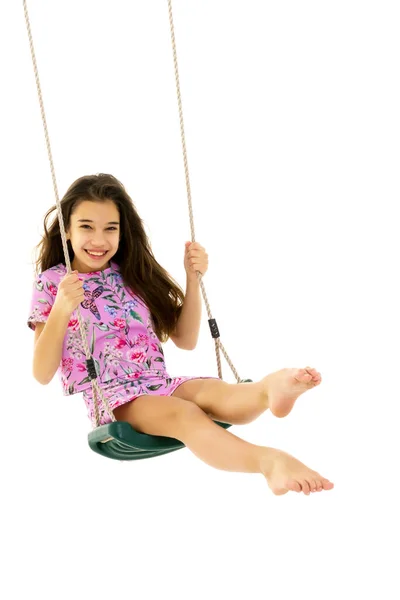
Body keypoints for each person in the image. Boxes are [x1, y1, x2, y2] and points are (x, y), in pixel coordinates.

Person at [28, 173, 334, 496]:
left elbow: (185, 339)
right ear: (68, 229)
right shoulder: (52, 283)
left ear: (122, 231)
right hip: (115, 400)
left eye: (110, 228)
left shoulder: (131, 274)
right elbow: (41, 372)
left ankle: (269, 390)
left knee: (211, 391)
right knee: (187, 414)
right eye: (86, 227)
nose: (99, 240)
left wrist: (192, 278)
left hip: (160, 383)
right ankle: (268, 462)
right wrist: (61, 308)